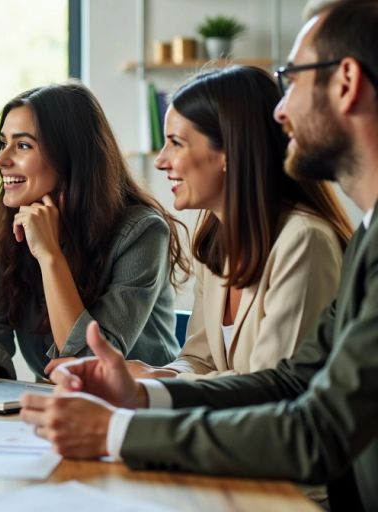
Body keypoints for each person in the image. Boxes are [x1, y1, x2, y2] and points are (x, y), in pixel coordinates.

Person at [21, 1, 378, 509]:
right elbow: (289, 378)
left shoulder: (309, 240)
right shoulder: (364, 235)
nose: (281, 109)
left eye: (292, 78)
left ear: (345, 82)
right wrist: (141, 393)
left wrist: (118, 431)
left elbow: (307, 420)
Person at [0, 82, 188, 395]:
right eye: (3, 143)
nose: (1, 159)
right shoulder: (11, 224)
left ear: (71, 156)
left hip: (138, 408)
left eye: (23, 146)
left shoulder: (142, 232)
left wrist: (50, 255)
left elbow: (88, 362)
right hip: (61, 403)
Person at [120, 66, 351, 381]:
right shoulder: (216, 241)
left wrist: (154, 383)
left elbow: (272, 387)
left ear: (229, 150)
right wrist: (151, 374)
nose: (161, 160)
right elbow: (198, 360)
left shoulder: (304, 241)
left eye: (176, 143)